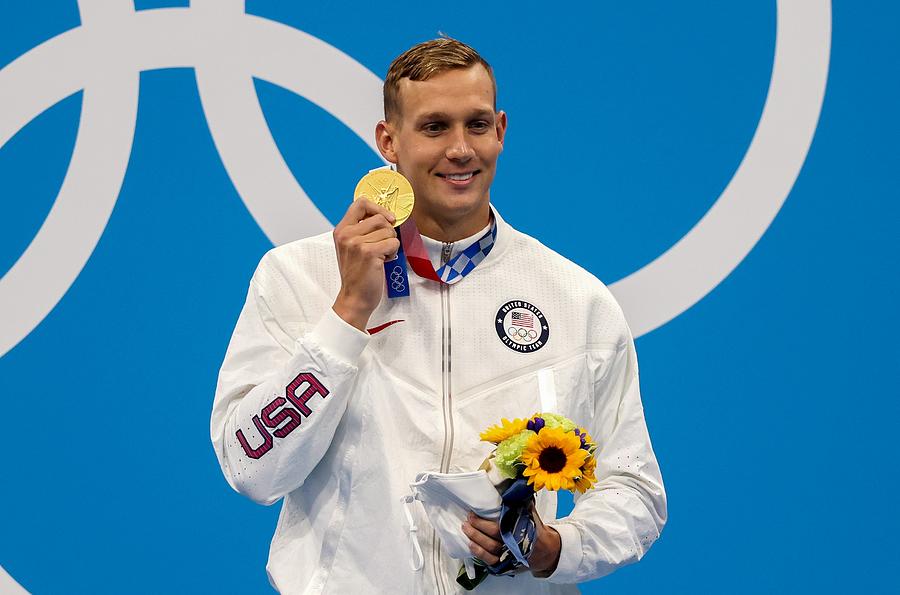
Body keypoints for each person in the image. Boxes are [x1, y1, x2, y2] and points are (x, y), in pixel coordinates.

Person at [211, 37, 667, 594]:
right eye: (434, 127)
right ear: (389, 141)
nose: (460, 149)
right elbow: (251, 468)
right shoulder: (297, 277)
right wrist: (348, 312)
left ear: (501, 130)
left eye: (476, 125)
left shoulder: (576, 300)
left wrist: (555, 548)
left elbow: (635, 490)